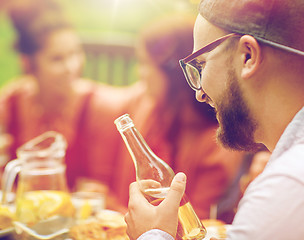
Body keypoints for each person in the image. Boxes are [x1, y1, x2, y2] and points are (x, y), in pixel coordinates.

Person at [124, 0, 304, 239]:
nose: (199, 93)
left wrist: (152, 234)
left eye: (201, 64)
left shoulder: (291, 187)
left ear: (247, 55)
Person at [82, 14, 245, 218]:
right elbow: (102, 98)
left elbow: (192, 227)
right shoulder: (147, 103)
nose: (139, 72)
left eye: (144, 63)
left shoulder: (215, 145)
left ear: (175, 73)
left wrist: (112, 207)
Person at [0, 0, 97, 188]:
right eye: (57, 59)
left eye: (75, 53)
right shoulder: (9, 103)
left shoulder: (96, 104)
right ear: (28, 63)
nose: (71, 67)